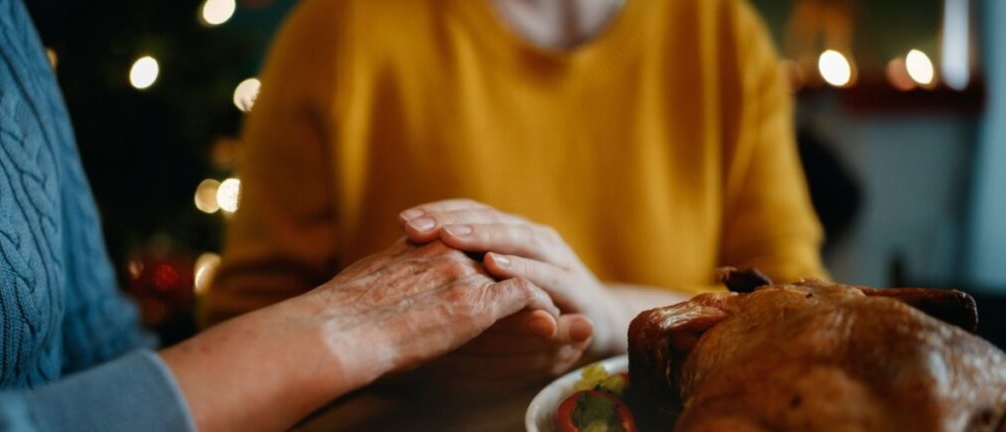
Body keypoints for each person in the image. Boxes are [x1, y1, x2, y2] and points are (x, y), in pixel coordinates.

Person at [0, 1, 561, 432]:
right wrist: (349, 325)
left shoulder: (3, 18)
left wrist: (604, 311)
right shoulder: (342, 27)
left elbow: (97, 341)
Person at [206, 0, 828, 378]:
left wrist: (612, 316)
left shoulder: (724, 37)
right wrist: (405, 355)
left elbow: (806, 311)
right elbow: (246, 323)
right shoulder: (338, 31)